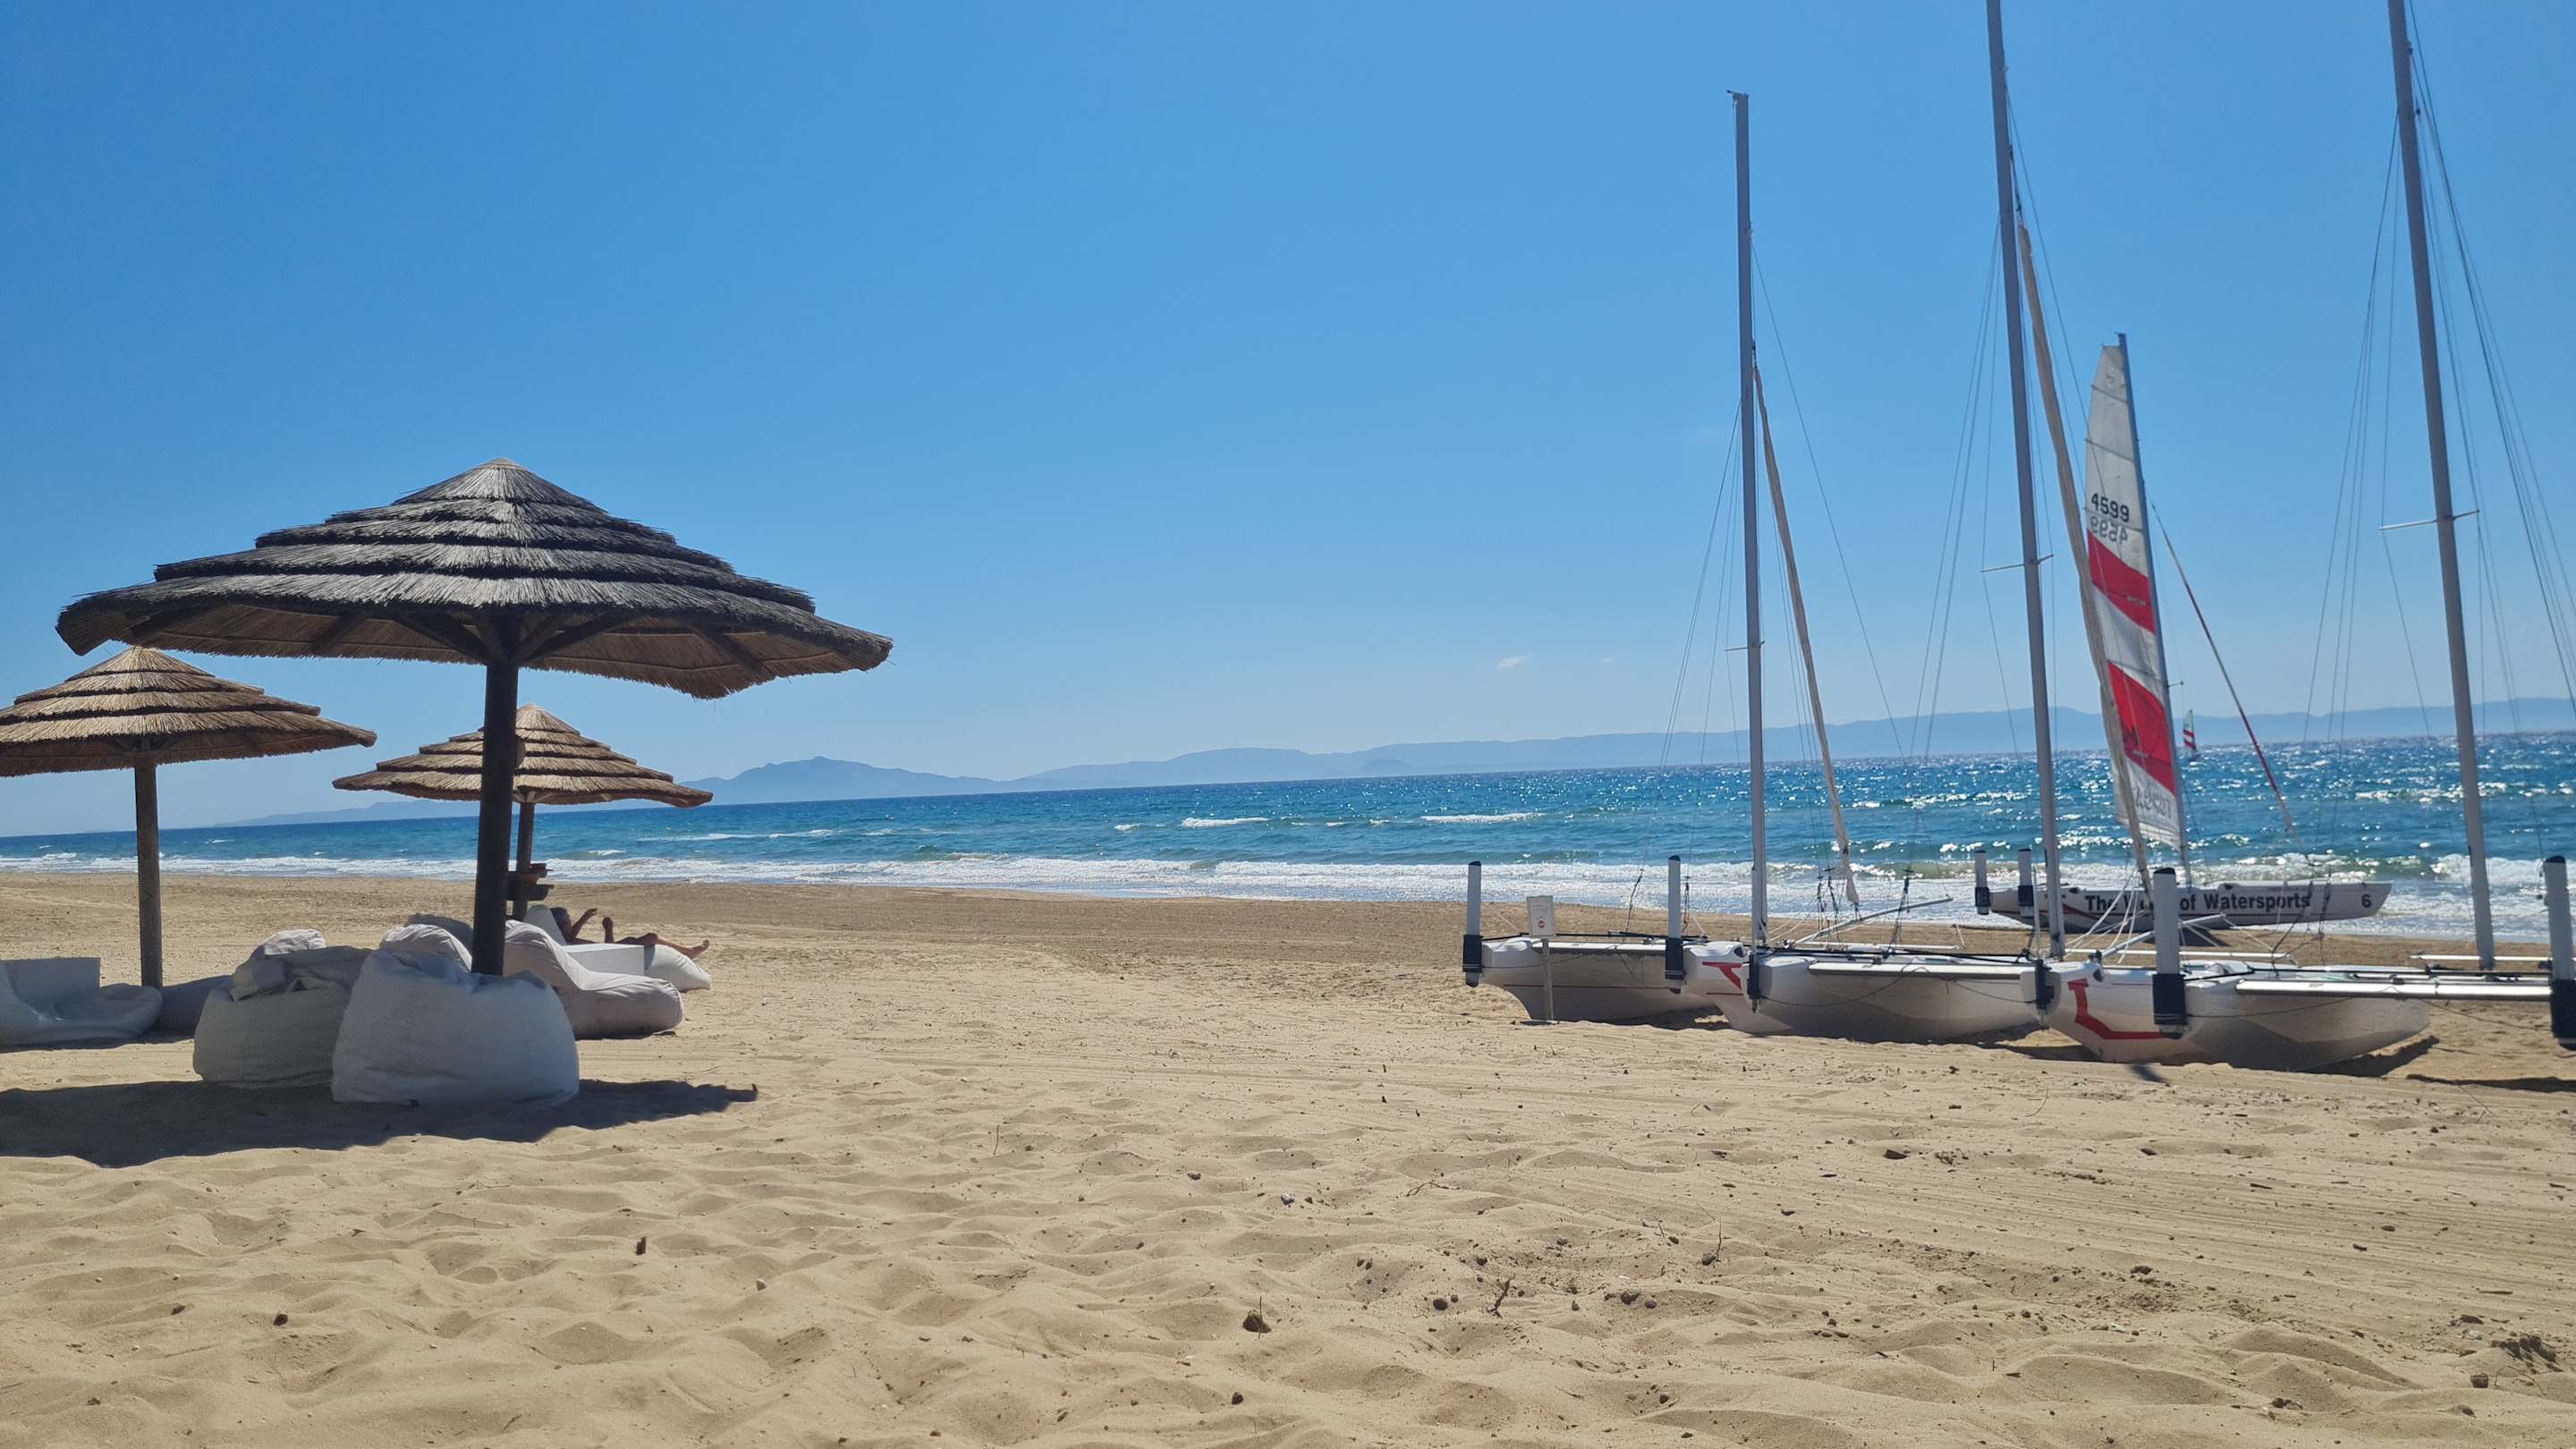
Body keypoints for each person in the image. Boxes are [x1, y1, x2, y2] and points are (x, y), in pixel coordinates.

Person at [549, 906, 710, 961]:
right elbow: (609, 951)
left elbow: (570, 935)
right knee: (651, 937)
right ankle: (689, 952)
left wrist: (583, 919)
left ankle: (687, 951)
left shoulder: (562, 939)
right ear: (562, 925)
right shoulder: (569, 941)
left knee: (631, 939)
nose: (572, 923)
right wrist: (608, 928)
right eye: (569, 921)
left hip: (608, 952)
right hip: (611, 956)